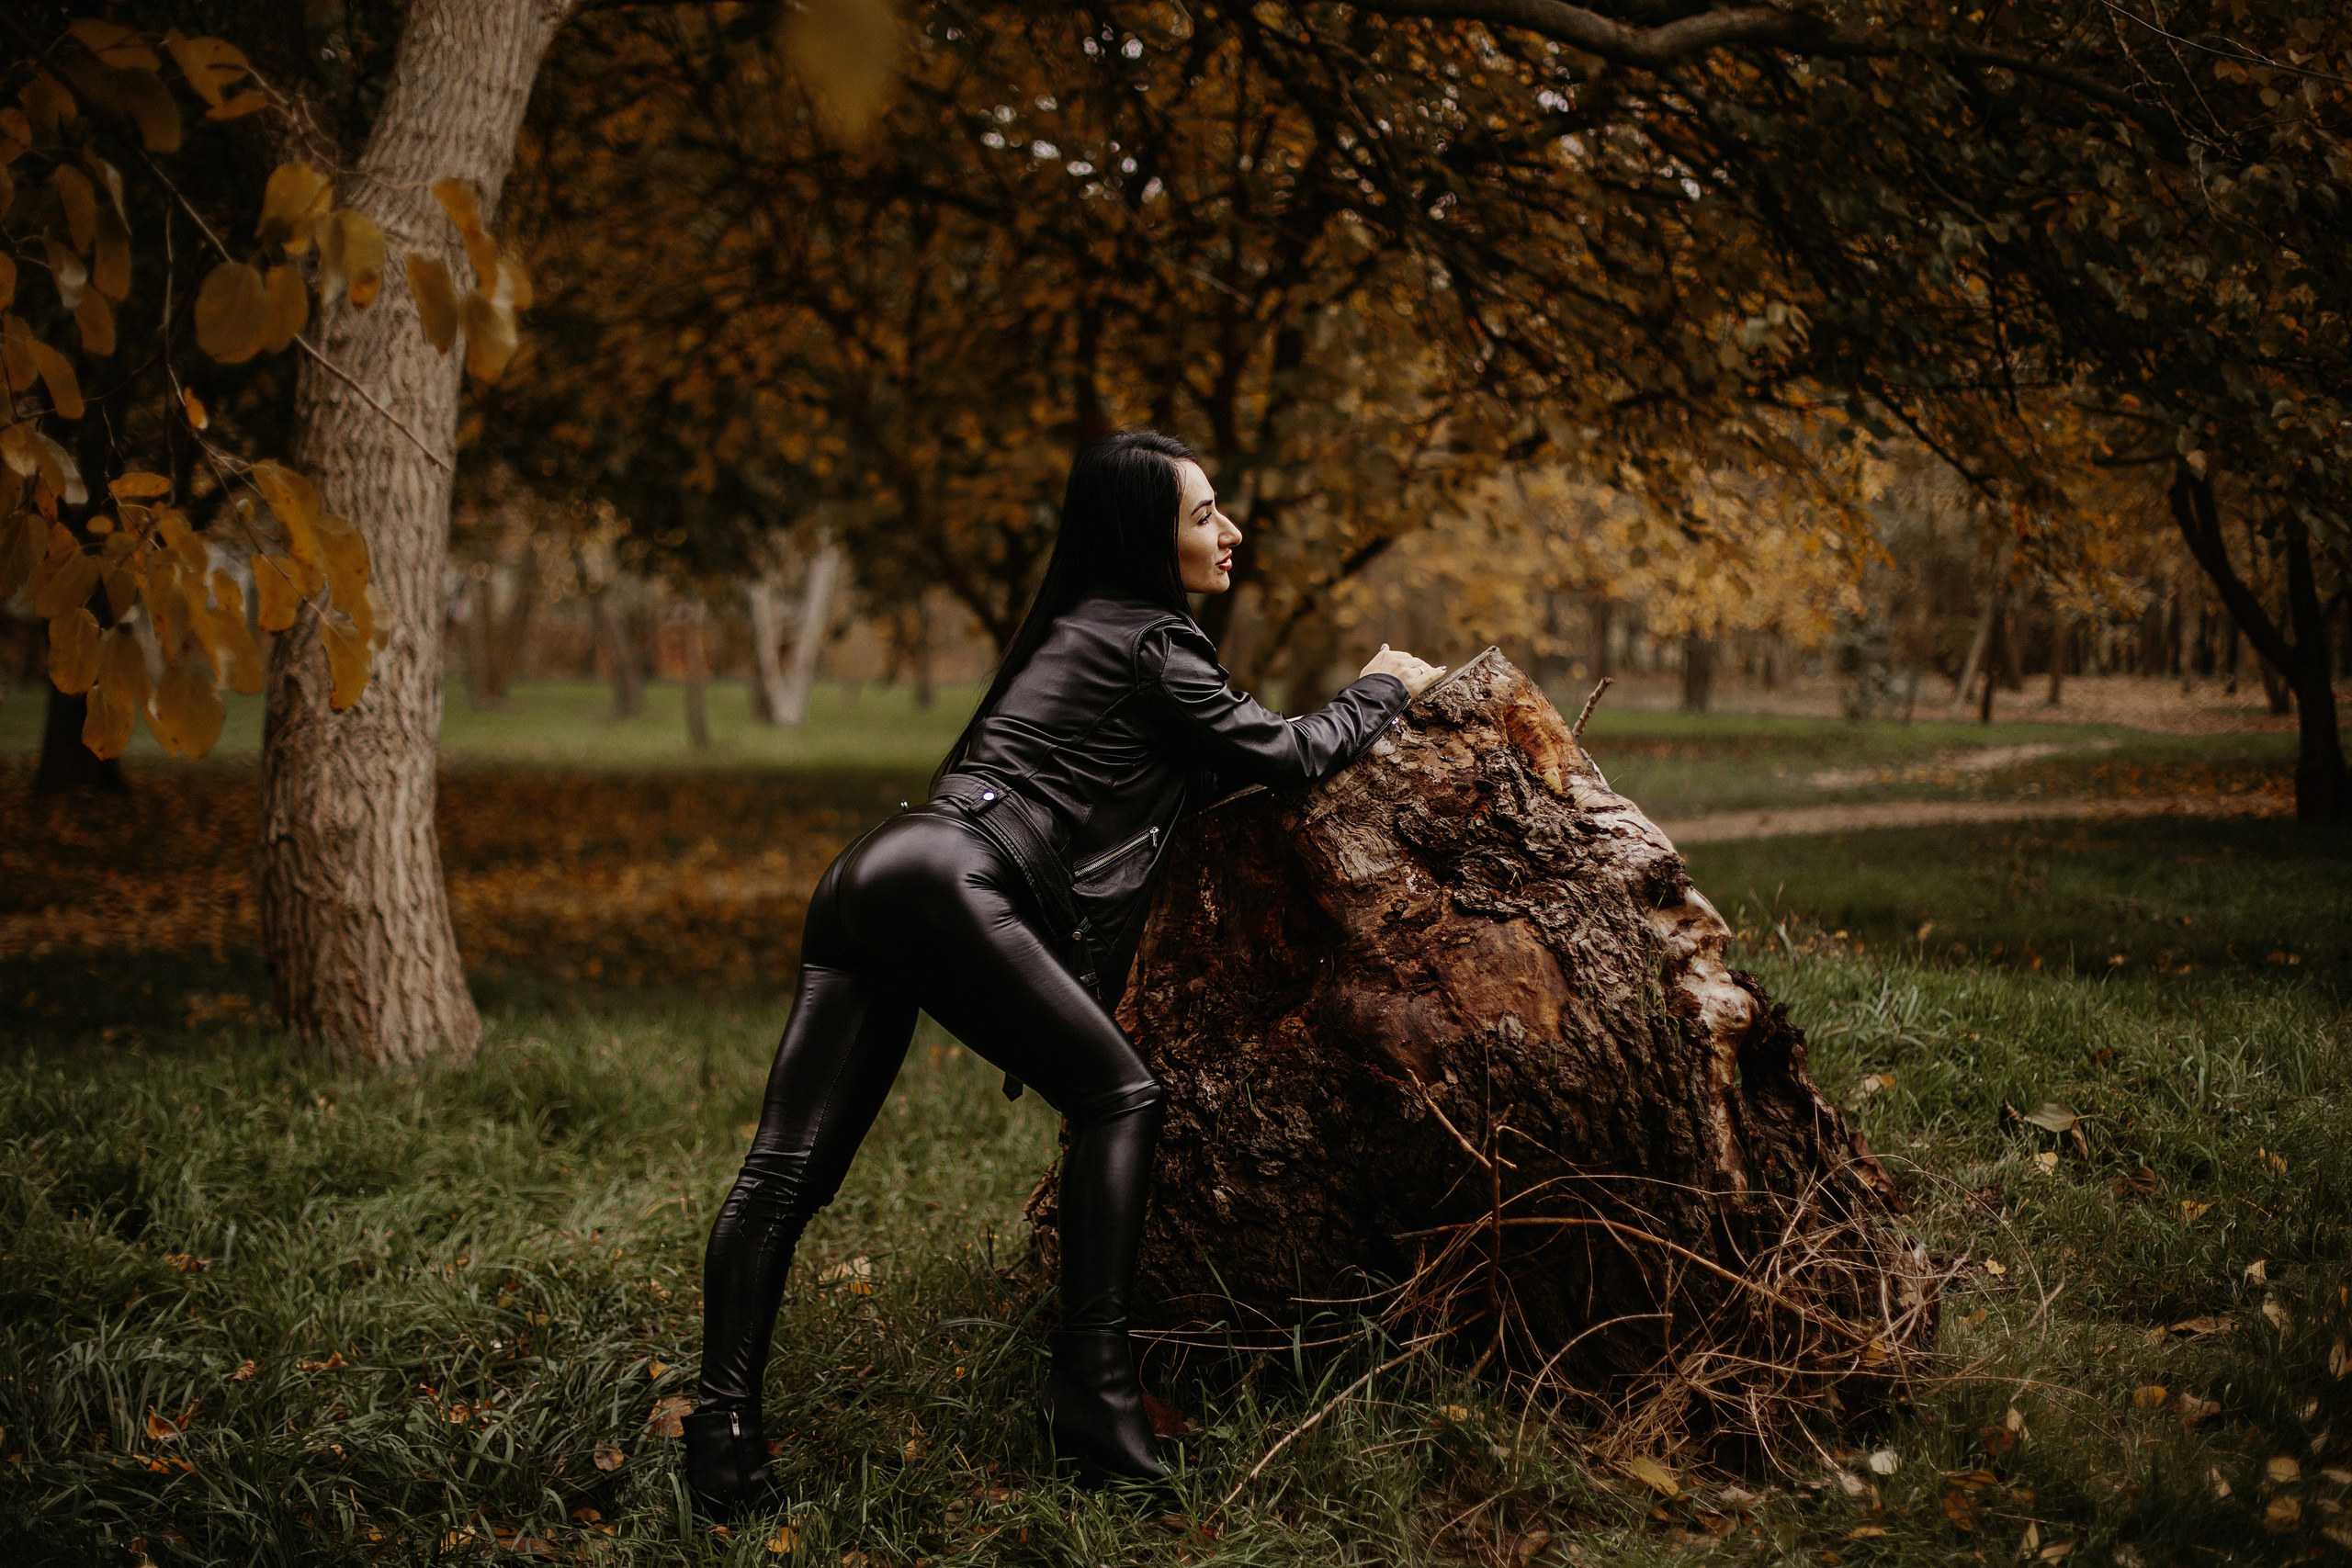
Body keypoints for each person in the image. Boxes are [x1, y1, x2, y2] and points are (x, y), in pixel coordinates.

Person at [684, 431, 1446, 1513]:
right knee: (1122, 1097)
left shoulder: (1077, 627)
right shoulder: (1152, 644)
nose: (1228, 533)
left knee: (782, 1176)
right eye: (1202, 516)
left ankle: (720, 1444)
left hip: (873, 872)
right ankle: (1091, 1395)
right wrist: (1377, 690)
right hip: (951, 881)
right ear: (1146, 534)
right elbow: (1282, 753)